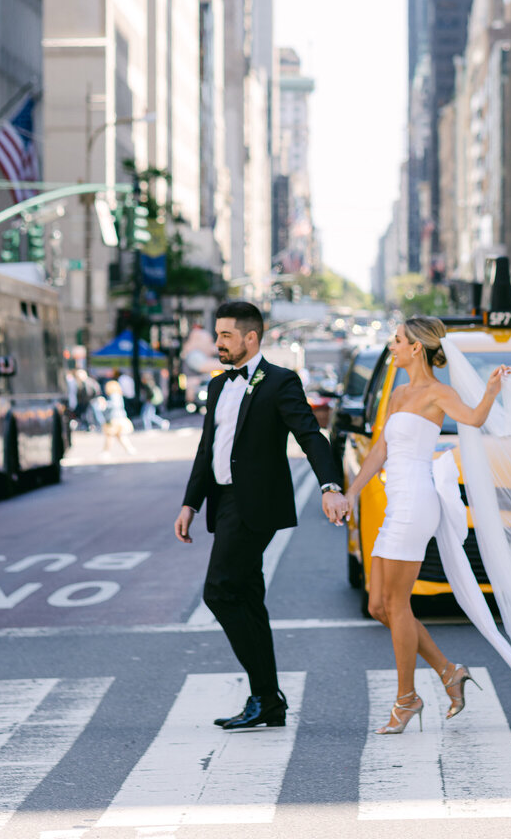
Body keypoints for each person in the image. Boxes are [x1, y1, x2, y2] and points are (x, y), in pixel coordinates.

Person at [174, 300, 348, 731]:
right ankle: (267, 701)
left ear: (251, 338)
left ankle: (266, 693)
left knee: (218, 591)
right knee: (248, 598)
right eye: (217, 335)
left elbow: (310, 435)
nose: (218, 343)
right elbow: (206, 451)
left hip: (256, 505)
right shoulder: (217, 386)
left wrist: (330, 486)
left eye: (226, 335)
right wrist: (190, 503)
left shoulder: (280, 382)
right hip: (224, 504)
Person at [343, 317, 509, 735]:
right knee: (378, 606)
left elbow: (472, 420)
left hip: (417, 501)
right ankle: (449, 672)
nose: (391, 346)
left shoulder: (439, 393)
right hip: (395, 502)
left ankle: (406, 700)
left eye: (397, 341)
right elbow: (380, 448)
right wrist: (351, 493)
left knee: (397, 605)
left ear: (416, 348)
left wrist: (490, 393)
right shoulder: (398, 393)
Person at [101, 378, 137, 456]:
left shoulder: (114, 395)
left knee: (110, 435)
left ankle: (106, 452)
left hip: (115, 418)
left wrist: (106, 404)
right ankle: (129, 449)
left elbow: (114, 405)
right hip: (119, 417)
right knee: (119, 435)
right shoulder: (118, 394)